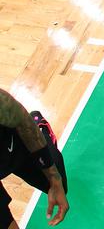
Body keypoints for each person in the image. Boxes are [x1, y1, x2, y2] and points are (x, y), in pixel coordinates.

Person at [0, 88, 69, 227]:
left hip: (18, 146)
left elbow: (23, 122)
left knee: (59, 184)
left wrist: (54, 179)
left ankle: (41, 128)